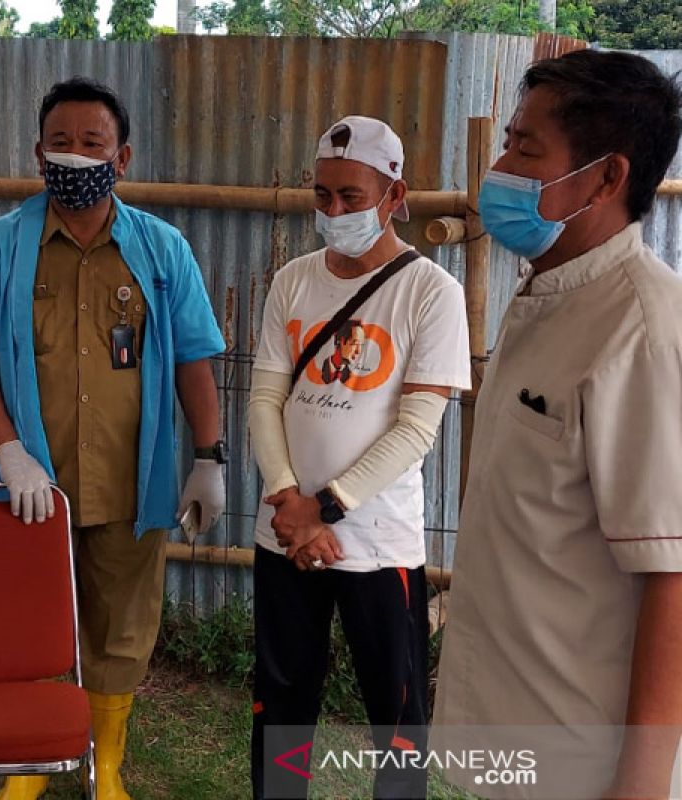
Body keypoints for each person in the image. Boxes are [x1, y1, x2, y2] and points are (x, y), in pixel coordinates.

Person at [0, 76, 227, 800]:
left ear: (121, 156)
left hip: (136, 480)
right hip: (33, 487)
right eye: (60, 143)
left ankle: (105, 763)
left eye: (91, 144)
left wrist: (207, 457)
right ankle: (33, 761)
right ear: (38, 152)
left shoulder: (161, 250)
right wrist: (9, 451)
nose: (74, 157)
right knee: (31, 620)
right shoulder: (0, 247)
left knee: (123, 628)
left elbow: (194, 356)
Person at [433, 51, 682, 799]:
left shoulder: (640, 333)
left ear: (607, 177)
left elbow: (671, 576)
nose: (500, 165)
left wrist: (637, 786)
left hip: (580, 766)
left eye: (525, 149)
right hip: (509, 741)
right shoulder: (548, 293)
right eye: (508, 140)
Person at [248, 116, 470, 799]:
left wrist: (326, 508)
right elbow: (263, 397)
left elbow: (416, 429)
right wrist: (288, 500)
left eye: (351, 196)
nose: (334, 211)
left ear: (395, 194)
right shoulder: (293, 280)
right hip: (283, 535)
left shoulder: (432, 292)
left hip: (378, 541)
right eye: (323, 195)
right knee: (282, 701)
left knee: (396, 712)